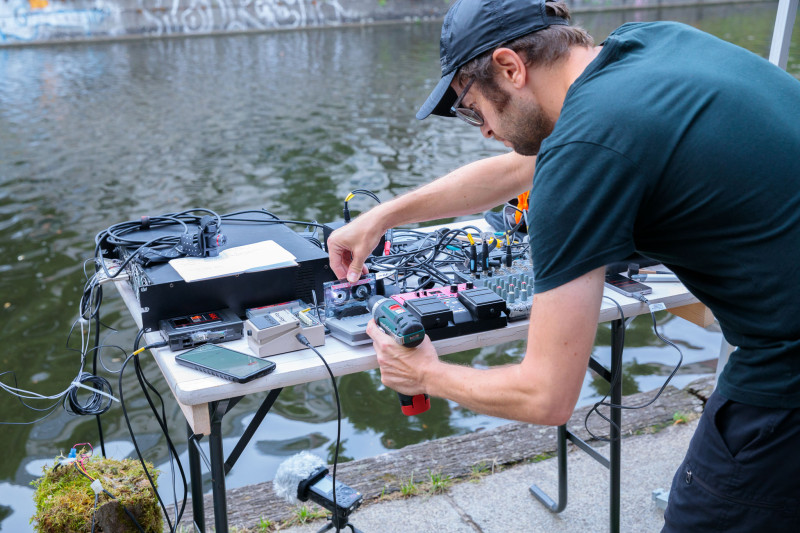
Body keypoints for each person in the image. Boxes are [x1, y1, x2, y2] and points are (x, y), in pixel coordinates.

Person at [327, 0, 800, 529]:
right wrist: (384, 215)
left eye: (470, 106)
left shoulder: (585, 150)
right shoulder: (650, 47)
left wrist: (426, 373)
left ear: (510, 68)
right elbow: (519, 169)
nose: (481, 129)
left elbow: (546, 394)